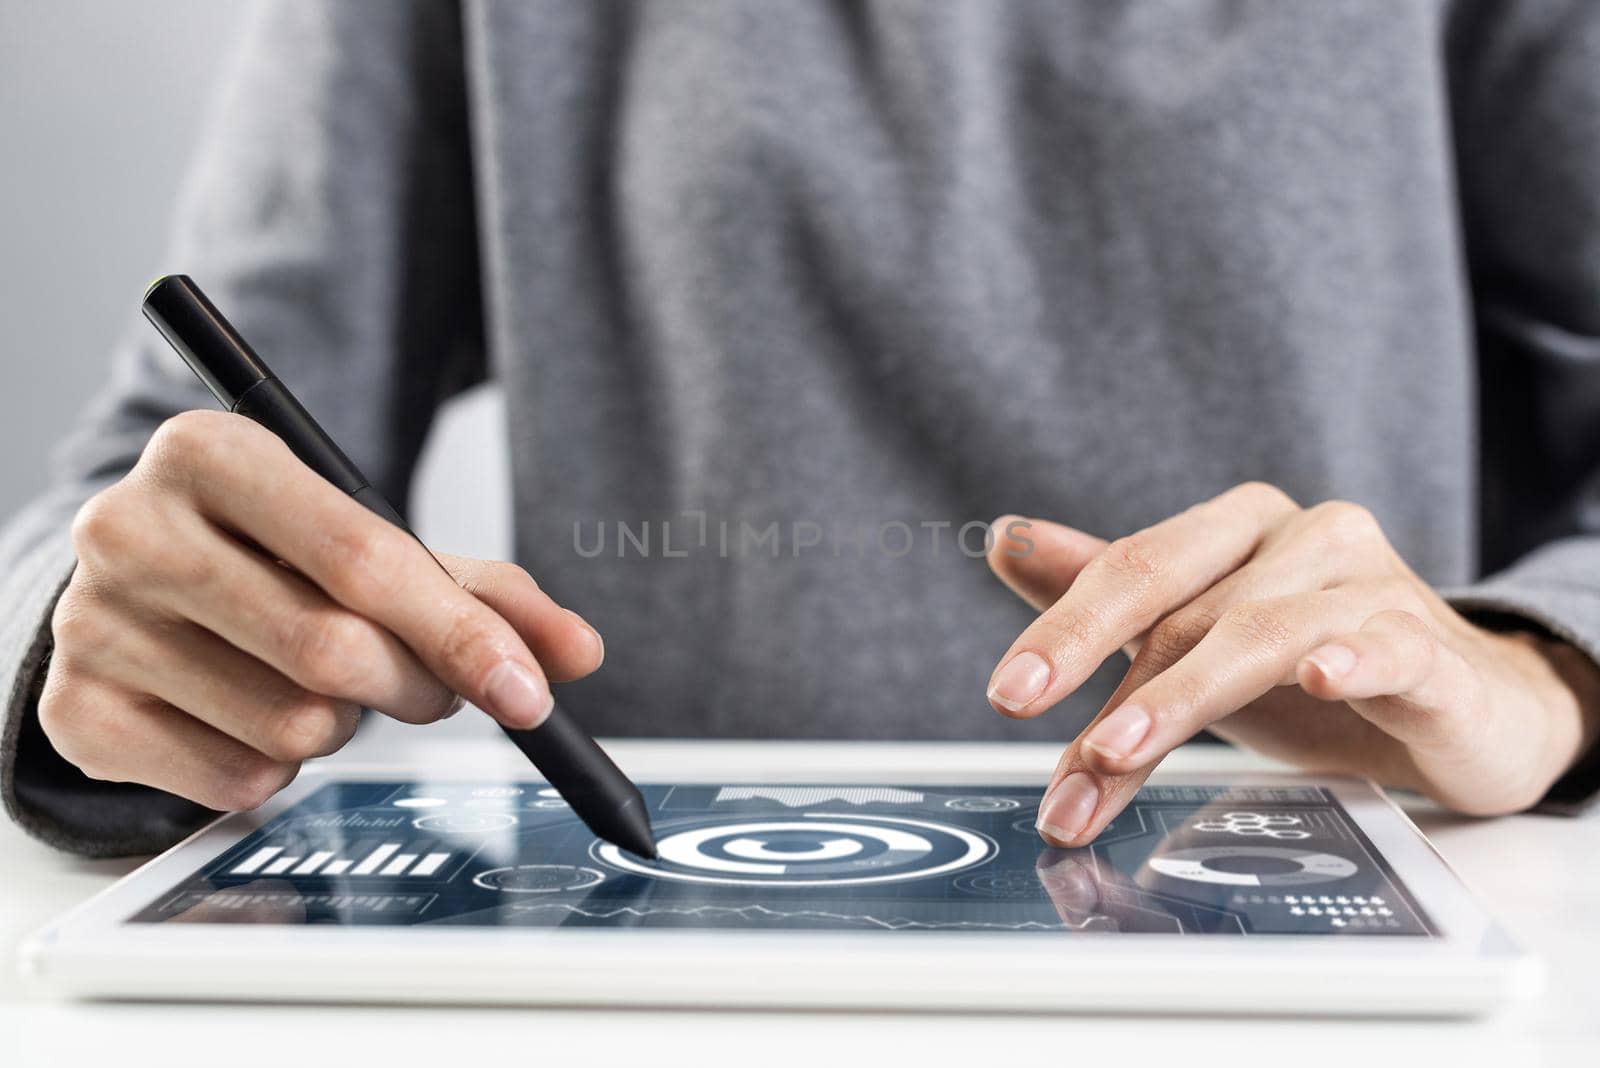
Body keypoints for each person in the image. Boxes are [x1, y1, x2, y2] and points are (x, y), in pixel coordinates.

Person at [2, 0, 1597, 858]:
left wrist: (1541, 671)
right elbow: (165, 477)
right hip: (664, 989)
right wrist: (101, 649)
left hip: (1366, 937)